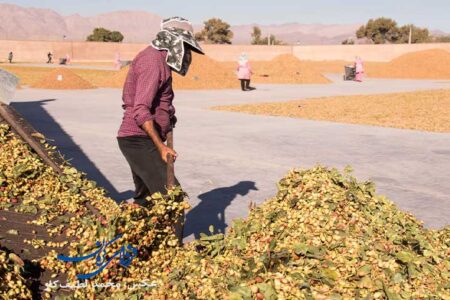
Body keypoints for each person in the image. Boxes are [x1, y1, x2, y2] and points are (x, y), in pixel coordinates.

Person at [117, 16, 204, 245]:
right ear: (174, 42)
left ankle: (133, 240)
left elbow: (159, 102)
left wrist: (168, 116)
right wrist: (161, 145)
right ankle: (171, 249)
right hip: (139, 139)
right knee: (172, 196)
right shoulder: (152, 62)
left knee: (145, 198)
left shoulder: (161, 62)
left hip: (142, 139)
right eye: (185, 47)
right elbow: (141, 110)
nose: (187, 54)